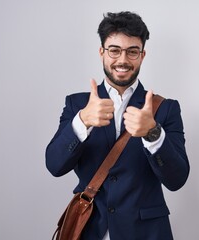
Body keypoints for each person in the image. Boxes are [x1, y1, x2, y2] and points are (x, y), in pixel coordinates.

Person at [46, 11, 190, 240]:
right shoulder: (77, 104)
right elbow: (54, 165)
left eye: (132, 51)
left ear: (142, 55)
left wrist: (153, 133)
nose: (122, 60)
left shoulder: (165, 109)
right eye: (114, 50)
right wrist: (81, 122)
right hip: (89, 229)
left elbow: (177, 179)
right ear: (102, 52)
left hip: (146, 233)